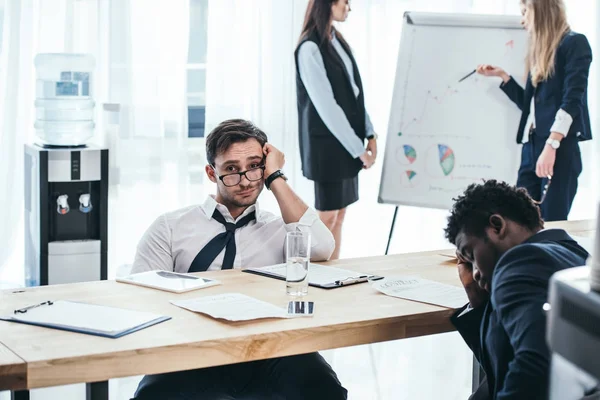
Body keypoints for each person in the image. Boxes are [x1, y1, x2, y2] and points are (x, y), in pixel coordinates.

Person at [130, 119, 347, 399]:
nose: (244, 181)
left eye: (254, 167)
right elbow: (141, 299)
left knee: (324, 389)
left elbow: (322, 247)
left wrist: (275, 178)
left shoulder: (282, 227)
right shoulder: (169, 227)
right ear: (211, 172)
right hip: (191, 354)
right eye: (231, 170)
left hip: (272, 351)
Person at [445, 180, 589, 400]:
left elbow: (534, 364)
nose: (474, 272)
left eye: (472, 255)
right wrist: (479, 301)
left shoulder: (519, 263)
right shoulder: (573, 253)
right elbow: (505, 364)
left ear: (496, 226)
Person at [476, 0, 592, 222]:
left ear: (540, 11)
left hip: (558, 147)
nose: (523, 19)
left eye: (525, 12)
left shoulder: (574, 44)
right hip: (532, 146)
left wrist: (552, 144)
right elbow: (531, 109)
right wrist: (503, 77)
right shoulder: (540, 54)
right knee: (520, 220)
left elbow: (572, 101)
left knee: (550, 224)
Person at [295, 0, 378, 259]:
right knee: (327, 217)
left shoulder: (337, 40)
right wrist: (358, 149)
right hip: (328, 149)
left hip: (347, 145)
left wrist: (370, 133)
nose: (349, 8)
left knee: (340, 216)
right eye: (345, 2)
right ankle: (311, 278)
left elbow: (354, 94)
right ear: (328, 4)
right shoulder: (309, 47)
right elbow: (327, 107)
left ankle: (333, 277)